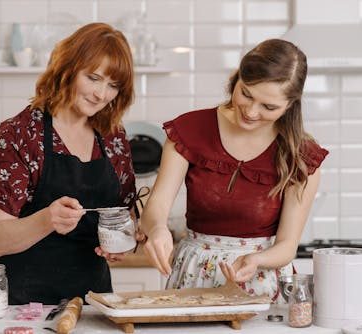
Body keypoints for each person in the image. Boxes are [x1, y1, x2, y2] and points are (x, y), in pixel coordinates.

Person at [140, 39, 329, 301]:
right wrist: (157, 229)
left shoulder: (301, 157)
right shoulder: (189, 130)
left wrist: (257, 259)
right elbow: (157, 206)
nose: (251, 112)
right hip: (193, 276)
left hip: (259, 281)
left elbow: (287, 246)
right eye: (246, 94)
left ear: (291, 104)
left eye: (269, 107)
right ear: (236, 78)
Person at [0, 22, 137, 305]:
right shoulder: (21, 133)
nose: (101, 94)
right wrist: (46, 219)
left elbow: (124, 215)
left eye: (113, 85)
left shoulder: (112, 137)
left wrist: (123, 239)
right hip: (23, 302)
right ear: (67, 68)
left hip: (94, 301)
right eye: (93, 78)